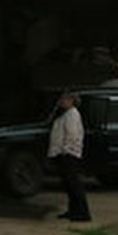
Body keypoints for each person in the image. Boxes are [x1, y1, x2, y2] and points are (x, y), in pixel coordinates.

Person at [48, 92, 90, 222]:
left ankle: (81, 212)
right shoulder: (65, 114)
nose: (61, 102)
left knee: (74, 184)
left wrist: (67, 150)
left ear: (71, 101)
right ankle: (73, 210)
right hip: (64, 153)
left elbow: (72, 134)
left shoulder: (72, 114)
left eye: (64, 99)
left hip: (69, 154)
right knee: (69, 184)